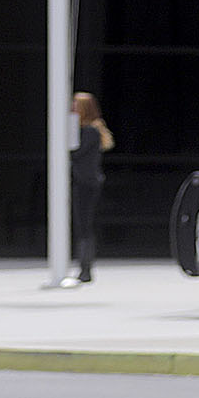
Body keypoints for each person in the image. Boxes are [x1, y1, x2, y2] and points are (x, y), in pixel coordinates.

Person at [70, 91, 115, 284]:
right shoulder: (86, 130)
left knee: (84, 224)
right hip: (84, 181)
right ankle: (84, 267)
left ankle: (85, 268)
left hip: (86, 183)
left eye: (76, 105)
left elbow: (76, 153)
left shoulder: (90, 131)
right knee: (82, 224)